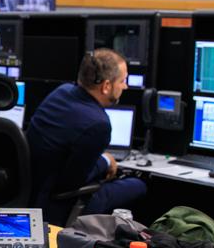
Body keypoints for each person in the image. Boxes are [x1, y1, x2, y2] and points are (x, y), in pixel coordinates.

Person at [26, 48, 146, 223]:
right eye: (122, 81)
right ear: (106, 86)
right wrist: (105, 162)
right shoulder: (99, 124)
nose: (125, 86)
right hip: (60, 202)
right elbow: (73, 182)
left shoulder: (61, 92)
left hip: (35, 188)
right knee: (138, 186)